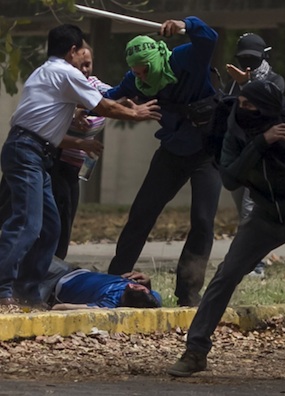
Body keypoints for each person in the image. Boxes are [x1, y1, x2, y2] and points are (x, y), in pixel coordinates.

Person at [167, 80, 285, 381]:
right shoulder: (235, 137)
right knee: (225, 277)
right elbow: (230, 178)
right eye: (241, 103)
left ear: (268, 108)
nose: (243, 109)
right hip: (263, 219)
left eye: (251, 105)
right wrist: (261, 142)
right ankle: (195, 351)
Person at [0, 24, 160, 309]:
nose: (84, 66)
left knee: (50, 226)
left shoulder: (46, 71)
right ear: (72, 51)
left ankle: (27, 290)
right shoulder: (65, 72)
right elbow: (102, 106)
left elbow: (98, 102)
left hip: (37, 152)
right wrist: (135, 113)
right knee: (26, 223)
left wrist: (117, 103)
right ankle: (3, 289)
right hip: (27, 152)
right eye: (82, 57)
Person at [105, 17, 222, 308]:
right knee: (141, 214)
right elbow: (107, 98)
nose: (141, 79)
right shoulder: (135, 79)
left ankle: (188, 291)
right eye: (136, 73)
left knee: (203, 221)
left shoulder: (186, 58)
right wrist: (81, 105)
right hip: (172, 151)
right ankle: (114, 282)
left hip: (207, 152)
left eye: (143, 72)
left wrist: (185, 24)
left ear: (154, 60)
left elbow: (209, 37)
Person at [225, 32, 285, 278]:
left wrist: (245, 85)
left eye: (252, 58)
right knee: (245, 210)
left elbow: (267, 105)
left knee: (251, 212)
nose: (247, 64)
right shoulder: (233, 81)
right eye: (243, 58)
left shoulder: (275, 80)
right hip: (239, 156)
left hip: (262, 157)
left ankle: (254, 266)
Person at [50, 43, 110, 260]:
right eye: (79, 65)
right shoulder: (63, 86)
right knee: (54, 221)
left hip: (76, 167)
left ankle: (56, 271)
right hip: (55, 163)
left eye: (88, 64)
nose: (84, 70)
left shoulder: (93, 85)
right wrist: (76, 113)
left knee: (66, 220)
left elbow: (112, 96)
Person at [37, 256, 161, 310]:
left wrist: (92, 309)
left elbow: (57, 308)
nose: (129, 283)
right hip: (68, 271)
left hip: (50, 288)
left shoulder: (107, 305)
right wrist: (148, 283)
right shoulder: (154, 299)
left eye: (132, 287)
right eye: (144, 289)